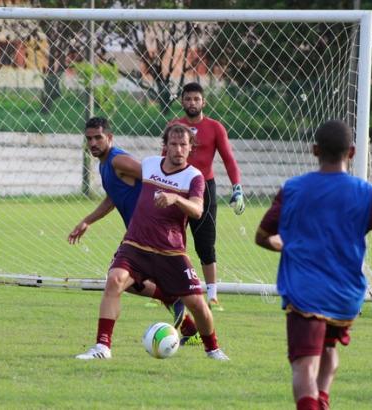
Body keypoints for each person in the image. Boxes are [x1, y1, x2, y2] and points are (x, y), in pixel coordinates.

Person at [255, 120, 372, 410]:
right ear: (351, 152)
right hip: (346, 295)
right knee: (329, 350)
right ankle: (322, 401)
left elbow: (262, 236)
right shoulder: (369, 193)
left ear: (314, 150)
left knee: (304, 367)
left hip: (304, 292)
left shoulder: (293, 189)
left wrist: (281, 245)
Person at [76, 124, 229, 360]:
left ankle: (213, 349)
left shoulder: (194, 177)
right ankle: (102, 347)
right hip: (136, 243)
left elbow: (197, 210)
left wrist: (175, 198)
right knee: (114, 281)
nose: (178, 149)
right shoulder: (148, 165)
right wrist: (89, 220)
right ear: (165, 147)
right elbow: (119, 191)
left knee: (197, 304)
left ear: (191, 148)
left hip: (171, 251)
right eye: (173, 144)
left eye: (183, 145)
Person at [68, 117, 199, 341]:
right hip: (139, 236)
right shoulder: (105, 163)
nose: (93, 143)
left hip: (152, 234)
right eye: (89, 139)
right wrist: (88, 220)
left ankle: (104, 343)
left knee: (117, 279)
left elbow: (154, 178)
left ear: (109, 138)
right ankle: (187, 326)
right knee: (121, 281)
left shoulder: (119, 160)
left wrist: (171, 201)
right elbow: (113, 198)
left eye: (98, 138)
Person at [169, 82, 244, 311]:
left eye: (196, 99)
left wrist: (237, 188)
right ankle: (169, 290)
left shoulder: (215, 128)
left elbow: (229, 159)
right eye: (188, 98)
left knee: (205, 243)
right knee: (170, 240)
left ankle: (212, 294)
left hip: (204, 190)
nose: (192, 103)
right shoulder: (174, 126)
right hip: (177, 186)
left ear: (204, 102)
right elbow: (165, 156)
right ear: (182, 101)